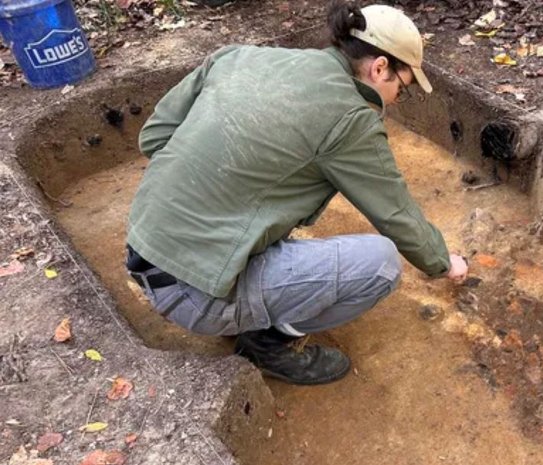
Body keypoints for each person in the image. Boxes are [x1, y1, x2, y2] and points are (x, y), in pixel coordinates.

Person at [124, 1, 468, 385]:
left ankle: (234, 300)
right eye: (402, 89)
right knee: (380, 264)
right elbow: (395, 213)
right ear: (380, 67)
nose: (397, 99)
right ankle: (267, 343)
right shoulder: (351, 119)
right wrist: (442, 262)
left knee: (272, 189)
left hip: (141, 248)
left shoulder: (241, 57)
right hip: (191, 293)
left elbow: (153, 137)